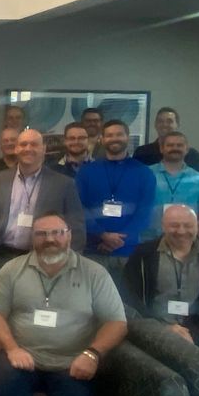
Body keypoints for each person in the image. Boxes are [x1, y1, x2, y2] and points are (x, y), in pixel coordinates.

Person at [0, 212, 127, 396]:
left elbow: (117, 323)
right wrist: (12, 348)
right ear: (32, 238)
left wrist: (92, 354)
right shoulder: (12, 270)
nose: (50, 239)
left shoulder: (94, 273)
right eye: (42, 234)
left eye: (57, 233)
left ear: (69, 236)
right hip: (22, 355)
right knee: (5, 382)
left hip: (72, 360)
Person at [122, 204, 199, 377]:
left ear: (197, 226)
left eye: (187, 225)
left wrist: (193, 332)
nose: (181, 231)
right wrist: (162, 328)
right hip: (152, 331)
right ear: (163, 226)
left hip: (195, 332)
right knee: (155, 377)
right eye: (174, 225)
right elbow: (130, 298)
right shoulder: (143, 254)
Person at [0, 129, 86, 303]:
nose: (28, 148)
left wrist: (67, 262)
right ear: (16, 149)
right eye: (23, 144)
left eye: (34, 144)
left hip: (41, 258)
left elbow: (76, 225)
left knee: (30, 305)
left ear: (44, 149)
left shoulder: (63, 184)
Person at [76, 120, 156, 282]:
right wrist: (102, 234)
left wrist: (118, 240)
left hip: (129, 252)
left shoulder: (143, 172)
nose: (115, 138)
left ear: (127, 137)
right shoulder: (86, 172)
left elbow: (145, 211)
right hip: (94, 250)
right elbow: (79, 207)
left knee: (128, 295)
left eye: (119, 134)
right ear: (102, 139)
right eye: (110, 135)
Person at [143, 131, 199, 241]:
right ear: (161, 149)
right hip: (148, 240)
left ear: (187, 149)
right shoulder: (144, 175)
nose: (175, 148)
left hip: (185, 241)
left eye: (179, 145)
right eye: (170, 145)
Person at [133, 107, 199, 171]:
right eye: (160, 121)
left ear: (177, 125)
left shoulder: (192, 155)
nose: (164, 124)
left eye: (169, 121)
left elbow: (198, 179)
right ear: (155, 125)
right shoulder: (142, 152)